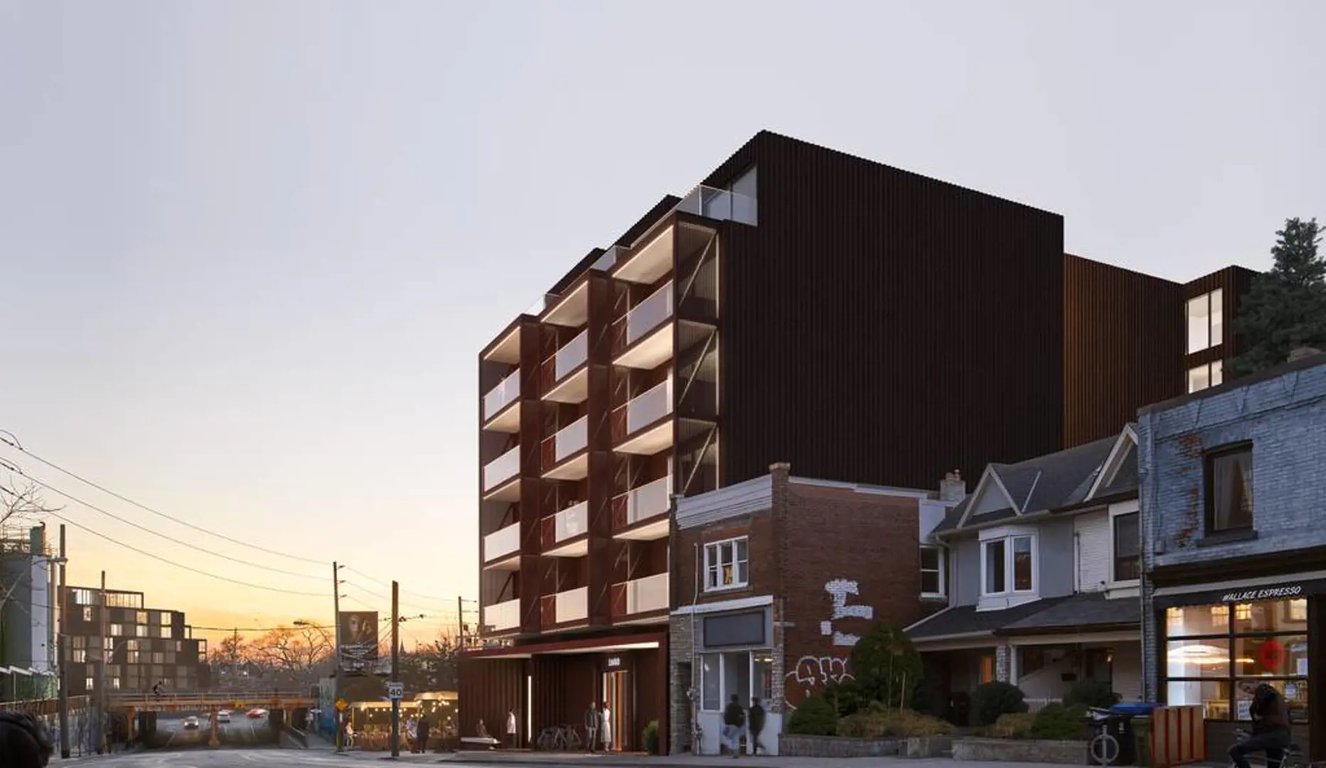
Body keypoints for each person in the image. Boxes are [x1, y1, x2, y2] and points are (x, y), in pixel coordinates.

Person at [1231, 683, 1291, 768]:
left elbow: (1268, 696)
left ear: (1254, 684)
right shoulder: (1274, 700)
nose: (1248, 691)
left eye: (1248, 688)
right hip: (1278, 736)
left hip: (1272, 735)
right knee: (1273, 764)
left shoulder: (1263, 689)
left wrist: (1259, 712)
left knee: (1235, 751)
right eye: (1245, 690)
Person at [722, 693, 745, 759]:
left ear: (731, 699)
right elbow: (742, 716)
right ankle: (736, 752)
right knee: (736, 739)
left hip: (729, 725)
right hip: (737, 726)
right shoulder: (739, 707)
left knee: (726, 737)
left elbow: (726, 715)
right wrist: (741, 724)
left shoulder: (729, 706)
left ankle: (731, 749)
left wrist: (726, 722)